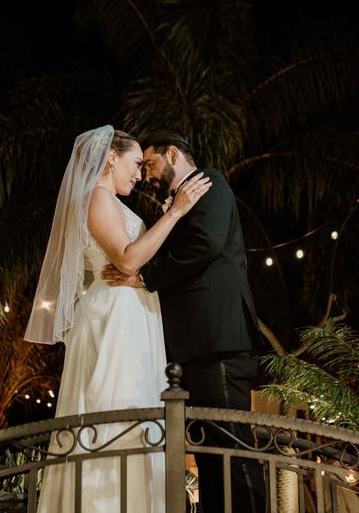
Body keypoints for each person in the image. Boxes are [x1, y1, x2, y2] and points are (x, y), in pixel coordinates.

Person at [24, 125, 211, 513]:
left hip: (134, 313)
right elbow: (126, 258)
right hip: (112, 318)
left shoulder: (116, 203)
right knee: (111, 411)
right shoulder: (96, 197)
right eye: (136, 163)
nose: (140, 174)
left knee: (139, 415)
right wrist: (176, 212)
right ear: (111, 157)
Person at [103, 130, 267, 513]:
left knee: (233, 451)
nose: (145, 175)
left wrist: (145, 276)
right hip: (196, 349)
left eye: (150, 163)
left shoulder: (210, 182)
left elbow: (205, 245)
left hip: (219, 342)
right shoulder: (176, 202)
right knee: (210, 457)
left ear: (173, 154)